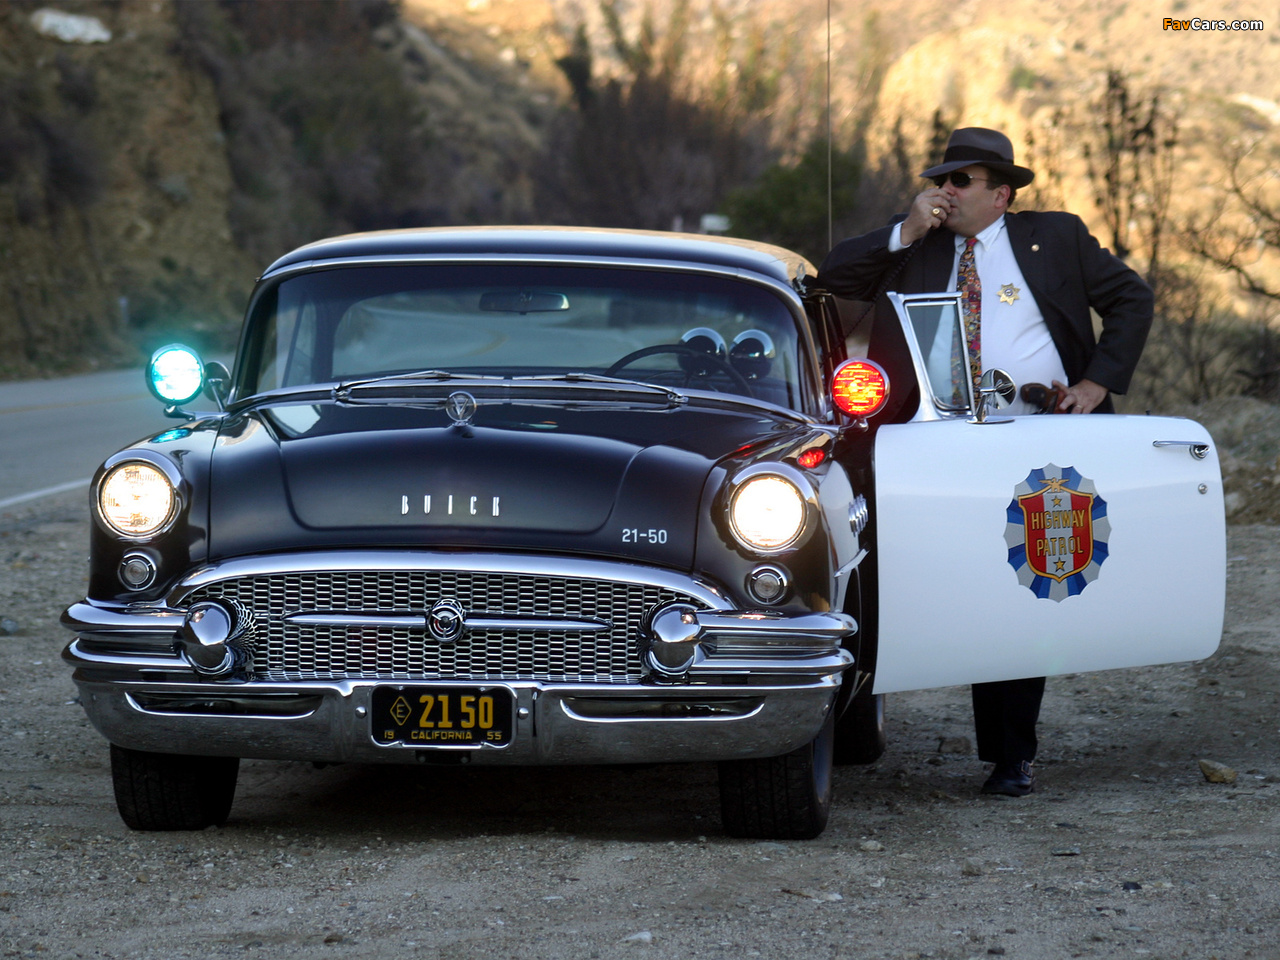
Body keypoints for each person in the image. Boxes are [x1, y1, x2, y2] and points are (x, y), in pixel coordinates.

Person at [817, 126, 1153, 796]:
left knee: (1020, 585)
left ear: (1000, 194)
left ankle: (1011, 757)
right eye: (940, 178)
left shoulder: (1054, 237)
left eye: (960, 180)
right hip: (925, 444)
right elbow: (831, 278)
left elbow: (1131, 298)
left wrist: (1097, 382)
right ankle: (848, 727)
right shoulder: (913, 243)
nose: (945, 191)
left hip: (1032, 436)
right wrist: (905, 232)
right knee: (897, 580)